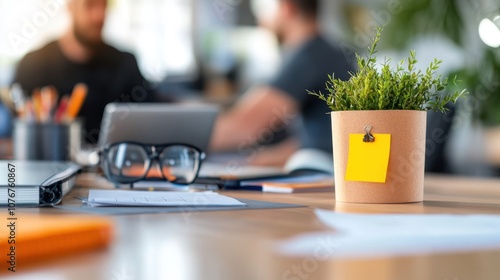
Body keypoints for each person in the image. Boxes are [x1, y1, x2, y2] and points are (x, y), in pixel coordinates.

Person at [210, 0, 354, 166]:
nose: (260, 19)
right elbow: (318, 138)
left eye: (263, 8)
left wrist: (180, 137)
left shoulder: (308, 57)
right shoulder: (326, 51)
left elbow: (242, 128)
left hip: (322, 170)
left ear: (286, 7)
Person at [13, 0, 150, 144]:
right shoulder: (33, 64)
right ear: (70, 7)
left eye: (103, 6)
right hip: (50, 162)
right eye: (89, 5)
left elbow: (152, 115)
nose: (99, 16)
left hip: (116, 163)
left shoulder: (126, 63)